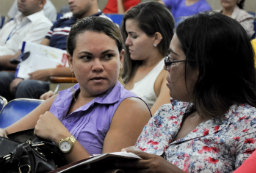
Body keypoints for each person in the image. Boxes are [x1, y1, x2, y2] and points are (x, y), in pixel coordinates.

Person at [115, 12, 256, 173]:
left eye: (172, 59)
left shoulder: (250, 125)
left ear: (204, 67)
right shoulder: (167, 113)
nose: (166, 67)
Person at [0, 16, 151, 163]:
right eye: (86, 58)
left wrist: (61, 136)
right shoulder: (63, 97)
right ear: (71, 62)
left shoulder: (130, 107)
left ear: (121, 58)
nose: (98, 66)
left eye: (107, 56)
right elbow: (6, 134)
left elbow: (108, 171)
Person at [0, 0, 111, 101]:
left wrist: (48, 73)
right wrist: (22, 76)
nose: (70, 1)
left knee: (27, 86)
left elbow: (89, 66)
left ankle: (26, 123)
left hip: (67, 79)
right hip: (43, 72)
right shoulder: (63, 20)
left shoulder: (103, 25)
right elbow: (38, 51)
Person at [120, 2, 174, 115]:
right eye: (127, 35)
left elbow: (152, 126)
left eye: (134, 36)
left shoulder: (168, 74)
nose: (127, 42)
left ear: (156, 38)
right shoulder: (126, 66)